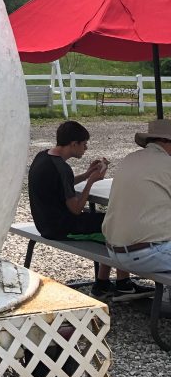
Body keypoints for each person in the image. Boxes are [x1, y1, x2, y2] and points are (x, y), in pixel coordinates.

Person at [28, 119, 146, 299]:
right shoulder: (62, 168)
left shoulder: (43, 157)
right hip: (61, 228)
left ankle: (103, 284)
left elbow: (62, 185)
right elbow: (76, 209)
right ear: (73, 143)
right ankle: (122, 284)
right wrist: (91, 182)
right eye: (84, 144)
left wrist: (85, 175)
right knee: (115, 227)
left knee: (108, 221)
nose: (86, 148)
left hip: (45, 221)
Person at [102, 120, 171, 277]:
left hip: (113, 251)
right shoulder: (167, 163)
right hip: (146, 254)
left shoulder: (129, 159)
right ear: (166, 141)